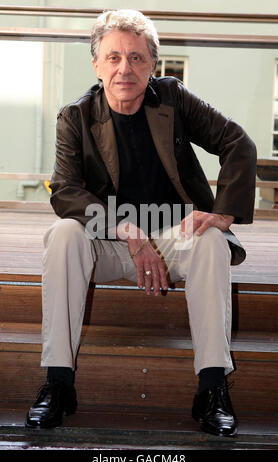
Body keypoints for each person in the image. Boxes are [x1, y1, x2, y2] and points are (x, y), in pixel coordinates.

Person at [25, 9, 257, 437]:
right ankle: (57, 383)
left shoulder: (173, 97)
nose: (124, 68)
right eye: (113, 58)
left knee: (212, 241)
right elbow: (65, 191)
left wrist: (224, 212)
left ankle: (211, 388)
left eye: (135, 58)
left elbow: (237, 141)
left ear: (153, 64)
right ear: (96, 65)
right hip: (108, 244)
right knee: (62, 234)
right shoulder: (74, 117)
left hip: (174, 236)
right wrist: (127, 230)